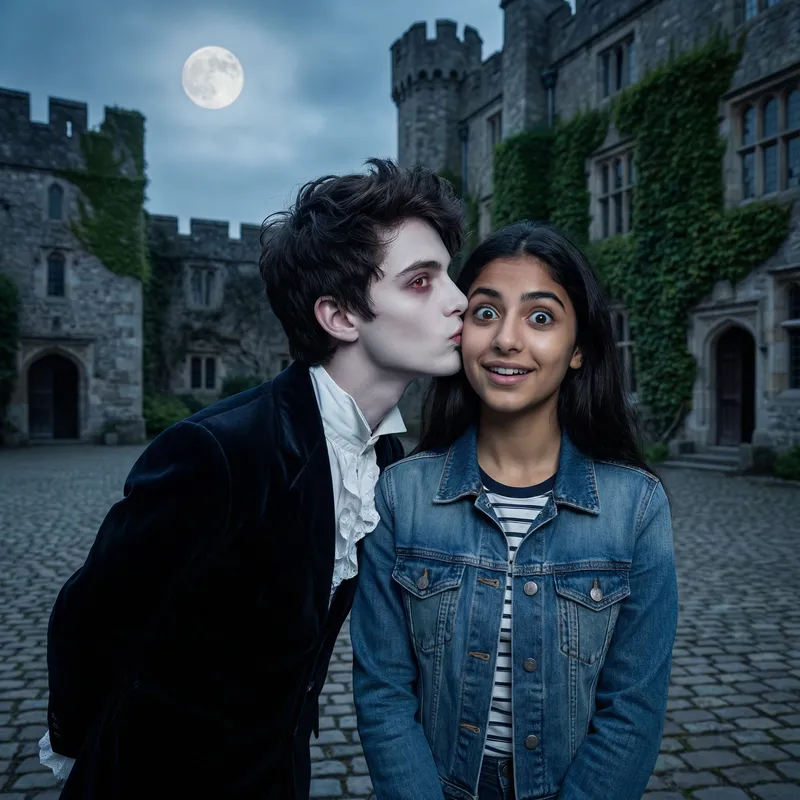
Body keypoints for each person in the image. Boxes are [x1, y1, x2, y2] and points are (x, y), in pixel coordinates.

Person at [40, 158, 468, 799]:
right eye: (420, 282)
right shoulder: (219, 451)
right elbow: (90, 615)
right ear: (340, 316)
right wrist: (83, 751)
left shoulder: (382, 459)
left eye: (448, 276)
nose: (459, 299)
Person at [351, 221, 679, 800]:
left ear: (578, 350)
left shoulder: (637, 507)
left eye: (541, 317)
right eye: (485, 313)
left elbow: (633, 708)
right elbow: (383, 692)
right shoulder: (398, 495)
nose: (506, 339)